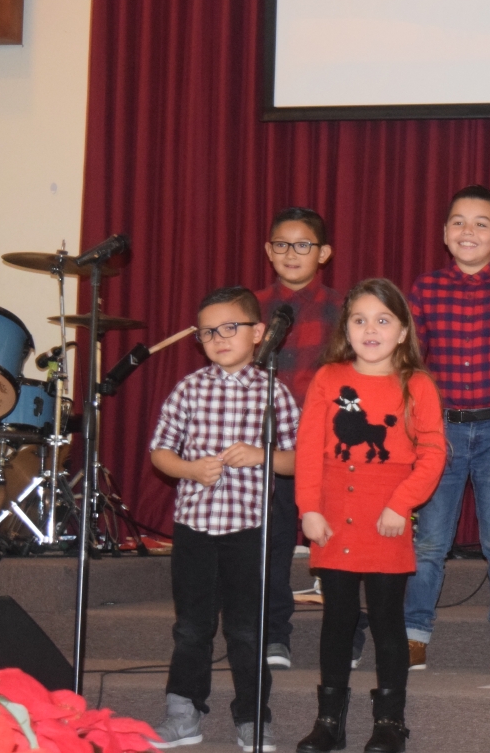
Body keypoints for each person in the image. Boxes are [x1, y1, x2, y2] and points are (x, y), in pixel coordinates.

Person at [295, 278, 446, 753]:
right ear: (346, 328)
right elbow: (307, 450)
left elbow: (433, 453)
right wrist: (309, 509)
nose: (370, 330)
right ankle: (329, 721)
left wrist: (401, 504)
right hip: (334, 516)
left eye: (383, 320)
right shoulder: (328, 377)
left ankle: (389, 723)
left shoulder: (417, 384)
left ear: (402, 331)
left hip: (387, 516)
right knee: (337, 619)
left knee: (386, 619)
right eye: (359, 320)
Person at [148, 286, 300, 752]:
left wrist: (261, 454)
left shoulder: (274, 392)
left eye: (229, 328)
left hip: (248, 530)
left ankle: (252, 717)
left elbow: (298, 459)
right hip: (195, 527)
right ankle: (183, 713)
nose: (218, 338)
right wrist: (190, 469)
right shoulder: (189, 388)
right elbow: (160, 452)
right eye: (207, 332)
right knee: (191, 626)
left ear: (258, 333)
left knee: (246, 630)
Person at [403, 184, 490, 674]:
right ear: (444, 233)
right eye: (459, 222)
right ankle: (413, 634)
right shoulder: (425, 289)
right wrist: (419, 426)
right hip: (441, 433)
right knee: (430, 541)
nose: (469, 231)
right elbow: (409, 364)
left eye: (482, 224)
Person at [253, 206, 358, 672]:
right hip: (268, 446)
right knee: (271, 545)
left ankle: (349, 629)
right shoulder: (249, 308)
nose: (291, 254)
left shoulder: (345, 308)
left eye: (303, 245)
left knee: (338, 544)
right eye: (281, 244)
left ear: (324, 253)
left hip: (329, 446)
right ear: (268, 250)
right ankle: (274, 632)